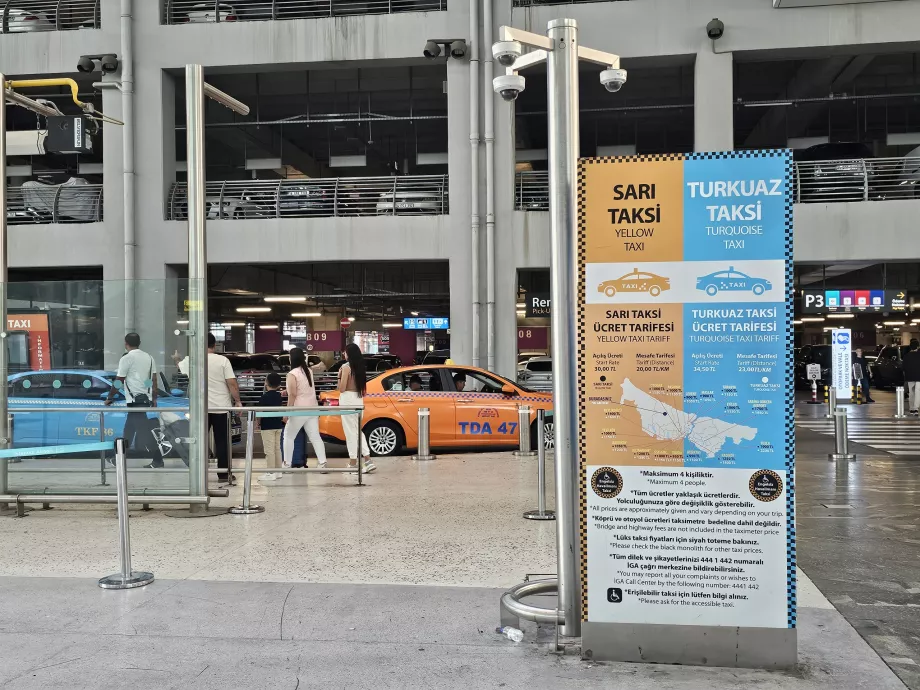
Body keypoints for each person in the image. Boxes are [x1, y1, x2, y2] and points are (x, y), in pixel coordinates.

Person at [105, 333, 162, 468]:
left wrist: (110, 397)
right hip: (145, 399)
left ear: (126, 343)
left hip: (134, 400)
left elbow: (119, 381)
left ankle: (158, 459)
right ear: (140, 342)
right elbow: (153, 380)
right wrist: (154, 398)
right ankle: (118, 458)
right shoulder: (149, 358)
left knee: (143, 432)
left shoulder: (127, 358)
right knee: (129, 430)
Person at [283, 347, 328, 471]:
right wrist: (286, 390)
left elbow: (293, 394)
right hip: (312, 409)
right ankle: (322, 463)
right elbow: (303, 388)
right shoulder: (308, 371)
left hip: (299, 410)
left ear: (291, 358)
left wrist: (287, 412)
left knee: (288, 436)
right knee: (315, 437)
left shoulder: (292, 374)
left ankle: (287, 464)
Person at [206, 333, 242, 482]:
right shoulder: (223, 360)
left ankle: (198, 473)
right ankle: (223, 474)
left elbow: (182, 369)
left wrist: (176, 360)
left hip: (202, 408)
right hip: (221, 407)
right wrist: (238, 401)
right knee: (222, 441)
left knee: (199, 441)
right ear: (214, 345)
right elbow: (232, 383)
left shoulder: (194, 360)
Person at [337, 343, 376, 474]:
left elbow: (341, 388)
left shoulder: (345, 367)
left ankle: (353, 462)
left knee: (350, 432)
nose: (344, 354)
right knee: (357, 431)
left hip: (347, 400)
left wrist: (339, 376)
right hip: (358, 399)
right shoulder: (360, 367)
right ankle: (368, 460)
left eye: (345, 352)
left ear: (349, 353)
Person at [257, 372, 284, 481]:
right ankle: (278, 471)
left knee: (269, 450)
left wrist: (258, 423)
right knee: (277, 448)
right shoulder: (279, 396)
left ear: (266, 383)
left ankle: (270, 472)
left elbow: (259, 412)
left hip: (267, 427)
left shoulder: (264, 397)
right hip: (278, 425)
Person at [903, 339, 920, 415]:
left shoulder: (906, 356)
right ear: (917, 347)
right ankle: (916, 408)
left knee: (911, 392)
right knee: (917, 392)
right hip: (919, 376)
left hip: (909, 376)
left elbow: (903, 367)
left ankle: (911, 408)